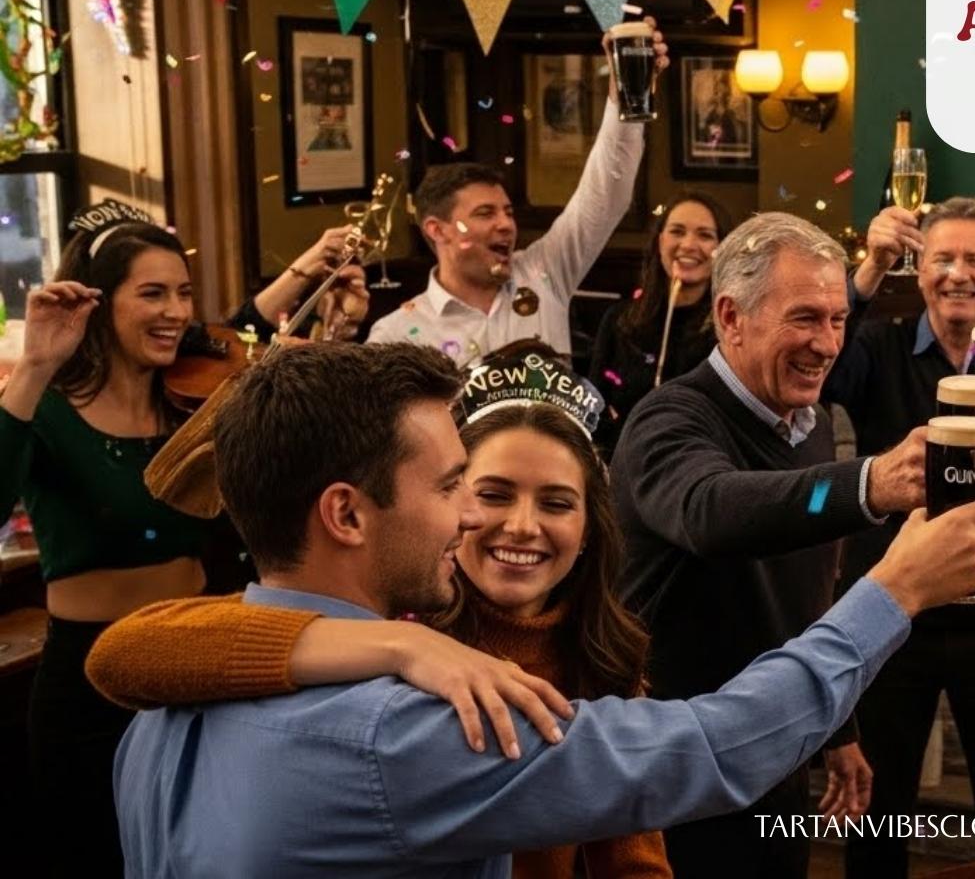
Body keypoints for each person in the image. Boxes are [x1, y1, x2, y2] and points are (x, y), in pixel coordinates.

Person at [109, 339, 975, 876]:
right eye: (455, 488)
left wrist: (388, 646)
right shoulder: (420, 731)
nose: (473, 519)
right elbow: (716, 746)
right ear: (346, 514)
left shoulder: (162, 711)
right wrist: (895, 590)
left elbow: (124, 653)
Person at [89, 342, 671, 876]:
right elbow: (125, 650)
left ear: (591, 525)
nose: (519, 525)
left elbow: (635, 853)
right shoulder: (398, 621)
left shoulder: (604, 661)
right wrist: (404, 644)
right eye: (480, 492)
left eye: (557, 503)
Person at [0, 203, 364, 876]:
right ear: (98, 303)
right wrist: (34, 366)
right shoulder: (47, 410)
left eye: (183, 292)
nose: (175, 312)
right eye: (152, 294)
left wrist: (333, 335)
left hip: (197, 653)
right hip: (88, 677)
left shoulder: (195, 399)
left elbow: (289, 429)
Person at [614, 210, 930, 877]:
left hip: (779, 754)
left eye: (838, 319)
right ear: (731, 317)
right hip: (678, 768)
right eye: (805, 318)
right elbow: (712, 512)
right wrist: (872, 483)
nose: (828, 343)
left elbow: (804, 595)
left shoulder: (809, 424)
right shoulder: (668, 419)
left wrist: (838, 728)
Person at [819, 196, 975, 877]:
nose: (958, 274)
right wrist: (868, 267)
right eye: (942, 258)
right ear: (918, 272)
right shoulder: (878, 346)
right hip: (893, 611)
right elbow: (823, 370)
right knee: (879, 810)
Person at [367, 23, 670, 364]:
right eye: (485, 213)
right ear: (437, 229)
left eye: (508, 212)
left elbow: (605, 195)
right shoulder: (395, 335)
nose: (506, 225)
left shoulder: (543, 273)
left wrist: (622, 97)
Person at [588, 191, 734, 452]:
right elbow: (593, 410)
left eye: (704, 235)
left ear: (721, 249)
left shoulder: (731, 331)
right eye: (677, 231)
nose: (688, 245)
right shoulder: (619, 321)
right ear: (660, 241)